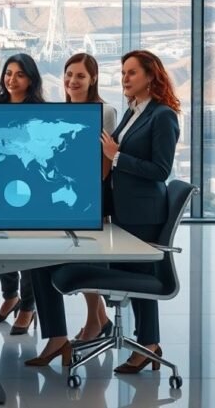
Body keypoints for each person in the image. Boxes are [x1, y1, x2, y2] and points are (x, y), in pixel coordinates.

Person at [27, 50, 180, 371]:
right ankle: (132, 339)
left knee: (140, 278)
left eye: (132, 72)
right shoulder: (134, 111)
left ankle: (148, 344)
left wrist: (117, 156)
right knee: (49, 260)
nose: (125, 78)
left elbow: (161, 170)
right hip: (121, 208)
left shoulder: (162, 115)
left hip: (143, 212)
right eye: (123, 73)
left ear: (151, 76)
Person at [63, 52, 117, 344]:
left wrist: (86, 195)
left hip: (90, 198)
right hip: (67, 195)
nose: (73, 80)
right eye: (69, 74)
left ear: (93, 79)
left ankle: (93, 323)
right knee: (79, 258)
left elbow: (106, 165)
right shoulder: (63, 110)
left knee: (88, 260)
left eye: (80, 75)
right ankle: (101, 320)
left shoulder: (104, 111)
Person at [0, 53, 45, 336]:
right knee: (1, 243)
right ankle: (10, 295)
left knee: (27, 246)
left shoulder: (40, 111)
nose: (12, 79)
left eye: (20, 74)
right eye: (8, 73)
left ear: (31, 79)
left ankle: (28, 305)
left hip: (30, 184)